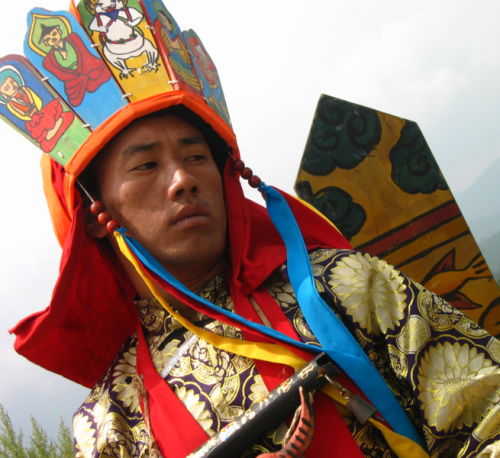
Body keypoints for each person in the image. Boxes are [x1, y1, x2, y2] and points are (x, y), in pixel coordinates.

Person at [5, 2, 500, 458]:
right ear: (96, 216)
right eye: (146, 166)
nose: (183, 180)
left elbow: (488, 413)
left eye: (196, 157)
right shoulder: (112, 421)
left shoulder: (343, 286)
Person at [40, 23, 112, 106]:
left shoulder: (74, 38)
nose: (53, 38)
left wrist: (84, 71)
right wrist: (79, 78)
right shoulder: (48, 61)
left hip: (93, 72)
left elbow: (86, 55)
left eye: (54, 34)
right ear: (46, 43)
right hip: (75, 85)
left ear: (59, 31)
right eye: (48, 39)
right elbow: (61, 75)